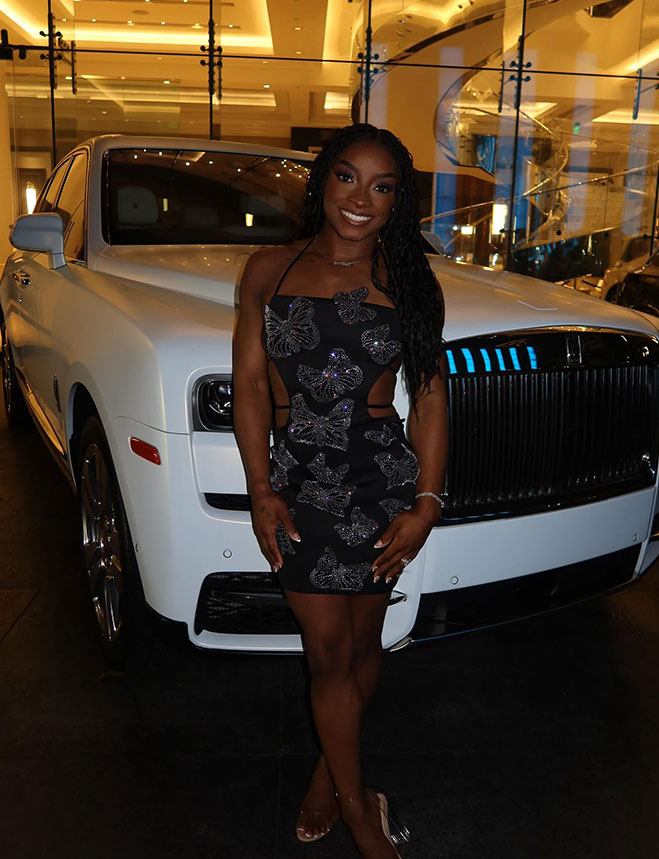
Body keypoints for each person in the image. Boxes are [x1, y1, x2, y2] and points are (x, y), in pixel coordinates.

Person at [233, 123, 447, 858]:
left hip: (380, 482)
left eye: (382, 186)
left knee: (362, 642)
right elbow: (251, 385)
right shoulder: (268, 270)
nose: (361, 198)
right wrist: (260, 488)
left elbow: (430, 398)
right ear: (323, 180)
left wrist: (426, 505)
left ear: (397, 202)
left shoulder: (409, 281)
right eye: (348, 177)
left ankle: (332, 771)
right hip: (298, 483)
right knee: (326, 652)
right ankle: (361, 813)